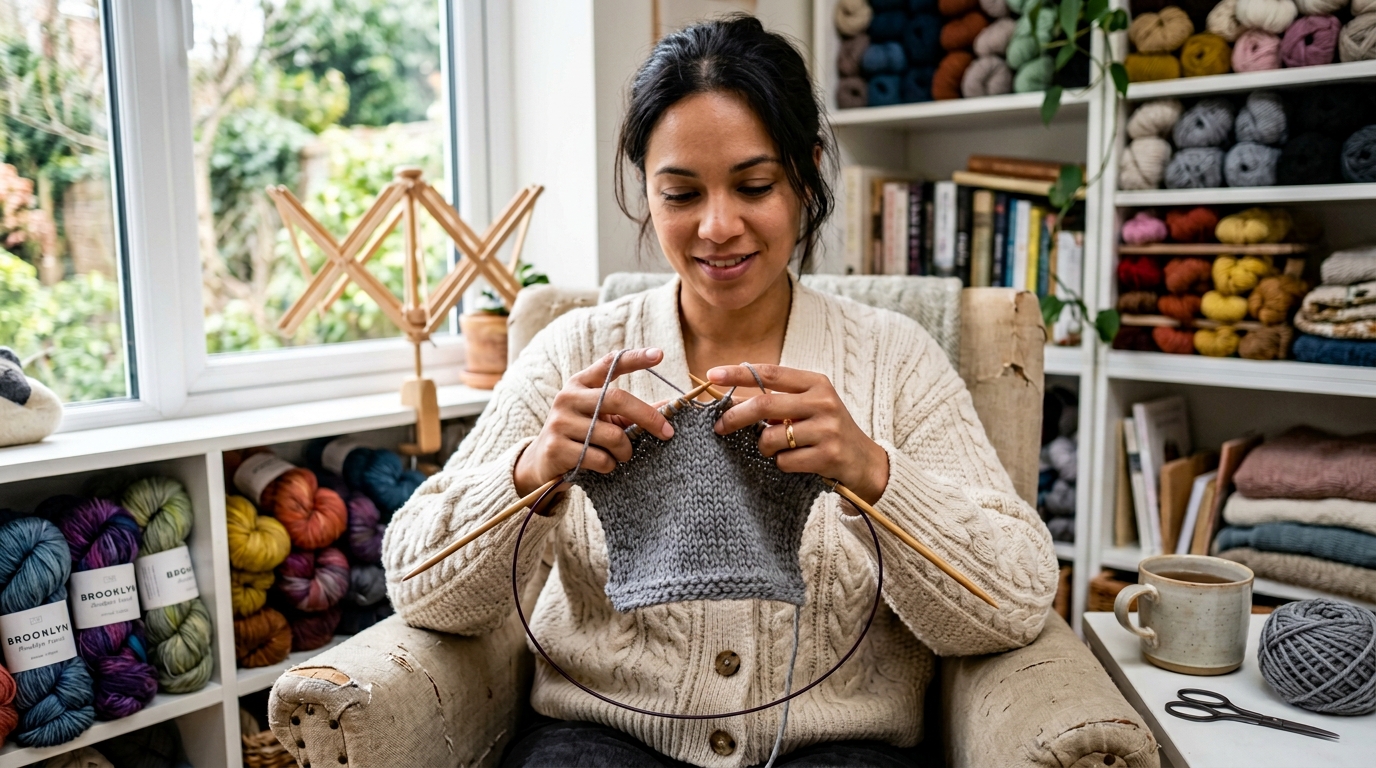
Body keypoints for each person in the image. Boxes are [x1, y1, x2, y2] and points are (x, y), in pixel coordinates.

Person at [384, 15, 1057, 768]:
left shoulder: (892, 358)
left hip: (836, 748)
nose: (717, 226)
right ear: (645, 189)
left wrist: (875, 474)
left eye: (754, 185)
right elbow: (419, 588)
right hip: (603, 739)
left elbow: (1019, 598)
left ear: (806, 175)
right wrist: (531, 476)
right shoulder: (575, 352)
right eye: (680, 194)